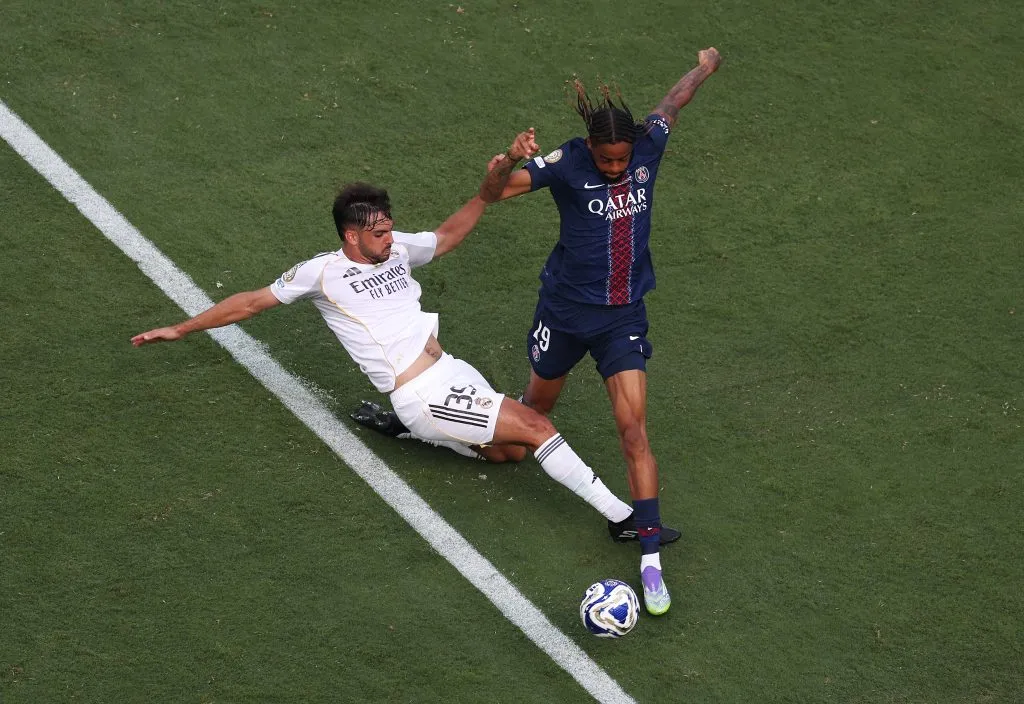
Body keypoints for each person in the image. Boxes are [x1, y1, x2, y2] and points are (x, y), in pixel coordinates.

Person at [130, 129, 643, 557]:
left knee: (509, 454)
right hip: (422, 392)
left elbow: (444, 237)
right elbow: (249, 303)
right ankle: (624, 517)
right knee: (535, 426)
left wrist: (488, 193)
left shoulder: (395, 250)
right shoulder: (322, 274)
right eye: (378, 232)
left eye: (389, 226)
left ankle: (416, 434)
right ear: (351, 236)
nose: (389, 237)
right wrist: (182, 327)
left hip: (451, 373)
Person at [353, 48, 721, 615]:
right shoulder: (569, 162)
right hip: (565, 315)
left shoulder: (649, 143)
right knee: (522, 435)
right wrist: (506, 159)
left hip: (623, 316)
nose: (617, 169)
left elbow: (673, 101)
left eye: (623, 161)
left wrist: (704, 66)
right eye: (607, 160)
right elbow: (494, 191)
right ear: (591, 149)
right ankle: (419, 430)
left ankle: (648, 551)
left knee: (633, 429)